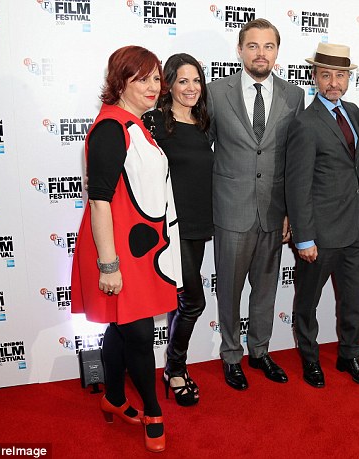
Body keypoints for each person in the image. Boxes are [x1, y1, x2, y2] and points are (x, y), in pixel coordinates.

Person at [71, 45, 181, 453]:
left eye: (157, 78)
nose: (154, 86)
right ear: (121, 80)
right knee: (136, 333)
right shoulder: (111, 128)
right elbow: (98, 200)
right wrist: (109, 264)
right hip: (116, 251)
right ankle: (153, 411)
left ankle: (114, 398)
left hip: (138, 248)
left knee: (122, 327)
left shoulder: (136, 124)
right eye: (143, 78)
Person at [207, 18, 305, 390]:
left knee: (265, 291)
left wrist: (290, 212)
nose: (260, 53)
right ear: (240, 50)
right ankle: (231, 356)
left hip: (273, 212)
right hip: (231, 211)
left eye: (268, 46)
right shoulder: (216, 93)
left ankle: (260, 351)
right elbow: (204, 149)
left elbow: (294, 161)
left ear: (277, 52)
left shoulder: (294, 96)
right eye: (253, 46)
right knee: (229, 291)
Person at [285, 43, 359, 389]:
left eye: (340, 75)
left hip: (356, 230)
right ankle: (309, 359)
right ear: (314, 78)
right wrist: (304, 237)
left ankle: (350, 355)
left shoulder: (353, 111)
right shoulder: (305, 123)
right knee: (308, 303)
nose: (333, 82)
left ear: (348, 78)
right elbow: (297, 185)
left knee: (354, 301)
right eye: (326, 75)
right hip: (319, 235)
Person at [143, 53, 213, 407]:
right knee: (193, 301)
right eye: (183, 81)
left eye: (196, 80)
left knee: (180, 298)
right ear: (168, 83)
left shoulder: (203, 120)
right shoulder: (154, 122)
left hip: (199, 224)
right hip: (171, 227)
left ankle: (173, 366)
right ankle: (175, 368)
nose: (191, 88)